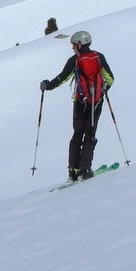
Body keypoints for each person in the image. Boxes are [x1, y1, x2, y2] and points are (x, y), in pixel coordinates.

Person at [41, 30, 114, 181]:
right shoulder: (99, 57)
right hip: (96, 103)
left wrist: (47, 86)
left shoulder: (74, 60)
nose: (73, 47)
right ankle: (84, 170)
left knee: (77, 135)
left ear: (80, 44)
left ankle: (73, 171)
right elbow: (110, 79)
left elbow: (62, 78)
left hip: (79, 103)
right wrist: (101, 91)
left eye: (74, 44)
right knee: (90, 135)